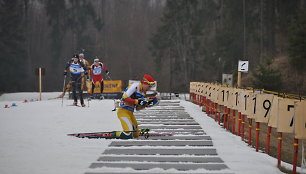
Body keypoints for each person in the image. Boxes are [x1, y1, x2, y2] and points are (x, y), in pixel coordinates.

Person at [114, 74, 156, 139]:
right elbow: (124, 98)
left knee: (136, 134)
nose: (149, 89)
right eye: (149, 86)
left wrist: (146, 104)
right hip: (123, 112)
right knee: (128, 134)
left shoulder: (143, 92)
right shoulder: (135, 86)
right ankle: (113, 134)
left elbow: (137, 108)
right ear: (144, 83)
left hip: (130, 113)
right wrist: (138, 101)